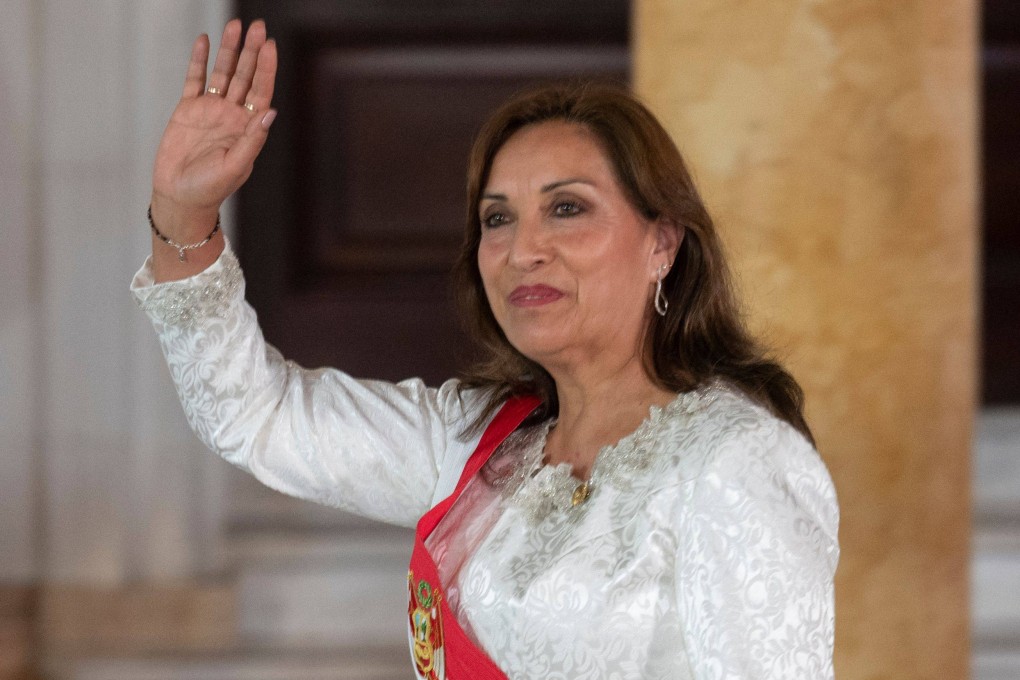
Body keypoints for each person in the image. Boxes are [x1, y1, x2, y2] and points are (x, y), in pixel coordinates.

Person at [131, 19, 839, 680]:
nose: (523, 250)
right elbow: (254, 415)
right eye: (498, 219)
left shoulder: (736, 460)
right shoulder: (477, 445)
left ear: (662, 242)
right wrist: (184, 214)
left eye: (568, 208)